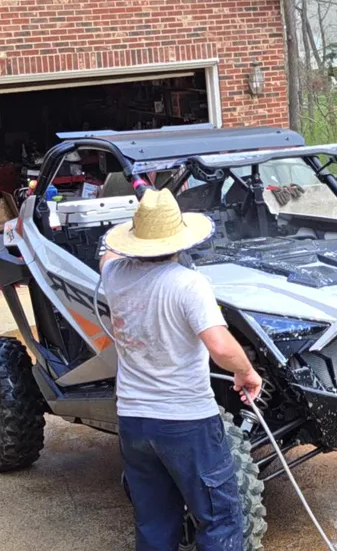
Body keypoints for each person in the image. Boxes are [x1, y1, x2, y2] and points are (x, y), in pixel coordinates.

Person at [99, 187, 263, 551]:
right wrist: (246, 372)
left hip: (133, 419)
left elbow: (107, 254)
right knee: (218, 518)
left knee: (154, 520)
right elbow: (220, 346)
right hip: (186, 421)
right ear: (180, 240)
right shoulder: (189, 284)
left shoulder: (114, 276)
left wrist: (134, 228)